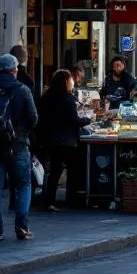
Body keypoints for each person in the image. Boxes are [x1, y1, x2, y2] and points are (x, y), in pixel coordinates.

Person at [0, 53, 39, 241]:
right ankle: (22, 225)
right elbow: (33, 118)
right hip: (17, 144)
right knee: (23, 185)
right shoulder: (22, 89)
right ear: (14, 71)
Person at [38, 69, 92, 211]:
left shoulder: (47, 96)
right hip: (65, 140)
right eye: (71, 80)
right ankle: (72, 198)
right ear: (66, 82)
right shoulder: (67, 99)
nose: (73, 82)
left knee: (54, 171)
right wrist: (88, 119)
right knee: (73, 168)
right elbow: (73, 119)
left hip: (50, 139)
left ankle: (49, 199)